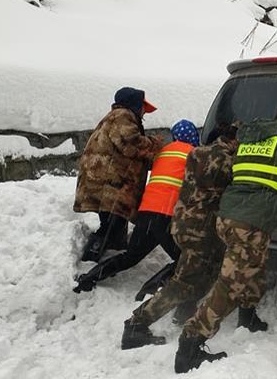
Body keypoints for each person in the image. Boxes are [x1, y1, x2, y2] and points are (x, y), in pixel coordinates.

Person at [174, 103, 277, 373]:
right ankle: (191, 343)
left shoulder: (249, 137)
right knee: (230, 284)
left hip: (230, 216)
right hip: (250, 222)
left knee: (255, 265)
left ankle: (248, 317)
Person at [121, 121, 238, 350]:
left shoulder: (197, 154)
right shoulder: (224, 160)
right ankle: (136, 324)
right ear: (231, 140)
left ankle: (184, 313)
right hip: (199, 230)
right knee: (183, 282)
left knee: (204, 276)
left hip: (185, 223)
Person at [73, 120, 199, 293]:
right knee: (187, 259)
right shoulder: (194, 155)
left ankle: (89, 278)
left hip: (147, 213)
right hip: (167, 216)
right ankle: (155, 286)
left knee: (131, 257)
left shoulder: (162, 152)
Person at [73, 87, 161, 263]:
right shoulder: (123, 116)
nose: (144, 111)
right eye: (142, 106)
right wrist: (155, 144)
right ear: (134, 104)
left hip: (106, 182)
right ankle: (90, 261)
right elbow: (131, 143)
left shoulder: (116, 117)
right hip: (110, 184)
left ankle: (115, 247)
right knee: (111, 224)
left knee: (115, 221)